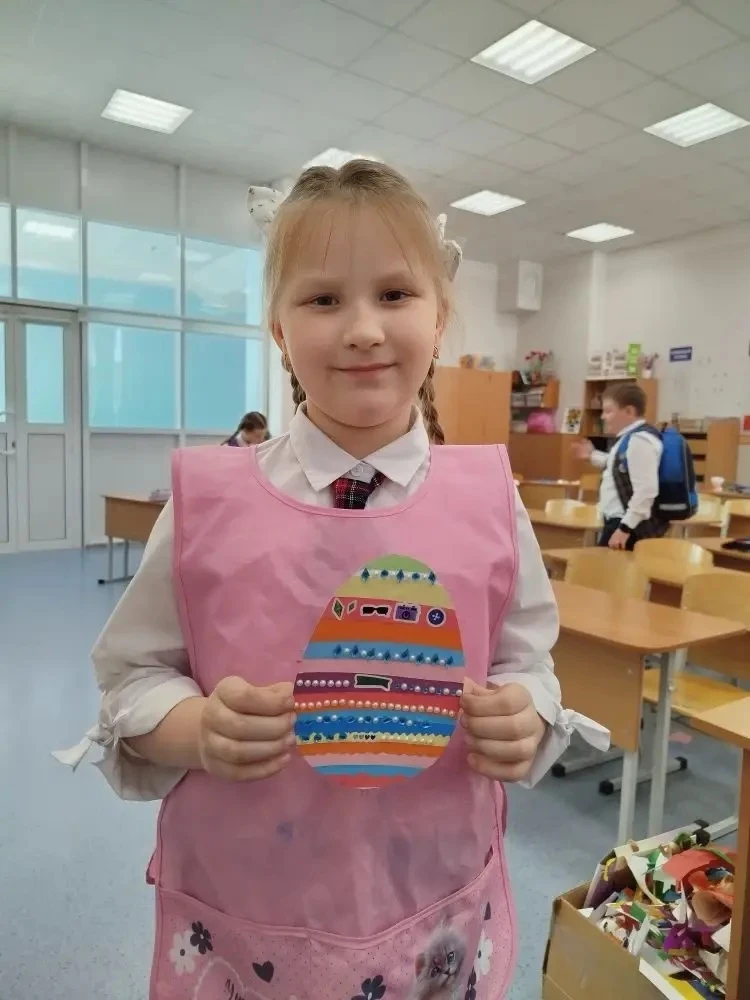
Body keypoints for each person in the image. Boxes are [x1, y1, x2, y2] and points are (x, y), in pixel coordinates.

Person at [60, 160, 606, 999]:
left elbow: (526, 659)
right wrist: (196, 728)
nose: (362, 330)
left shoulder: (491, 499)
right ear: (278, 330)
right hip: (249, 913)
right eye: (322, 299)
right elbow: (132, 677)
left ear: (439, 316)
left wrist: (527, 711)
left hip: (431, 903)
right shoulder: (208, 504)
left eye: (394, 294)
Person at [573, 382, 666, 551]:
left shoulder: (640, 440)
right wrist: (592, 455)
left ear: (629, 411)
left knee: (604, 567)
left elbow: (646, 490)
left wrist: (625, 528)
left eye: (608, 411)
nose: (603, 417)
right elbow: (617, 465)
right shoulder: (628, 438)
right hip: (618, 521)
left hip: (627, 526)